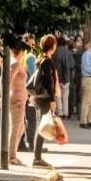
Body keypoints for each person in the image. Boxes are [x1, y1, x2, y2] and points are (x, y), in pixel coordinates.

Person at [30, 35, 58, 169]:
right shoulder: (46, 61)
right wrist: (52, 99)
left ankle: (37, 157)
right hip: (44, 99)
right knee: (41, 128)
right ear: (52, 46)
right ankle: (37, 158)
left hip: (39, 98)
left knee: (40, 126)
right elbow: (48, 82)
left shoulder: (41, 59)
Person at [8, 45, 29, 166]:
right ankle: (11, 156)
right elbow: (8, 80)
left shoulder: (14, 62)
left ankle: (12, 154)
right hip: (17, 99)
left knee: (20, 128)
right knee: (16, 128)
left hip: (19, 98)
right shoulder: (15, 63)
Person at [52, 35, 74, 119]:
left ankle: (60, 112)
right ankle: (66, 112)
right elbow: (72, 65)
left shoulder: (55, 52)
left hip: (57, 77)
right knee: (65, 96)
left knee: (58, 96)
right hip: (67, 77)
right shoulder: (69, 52)